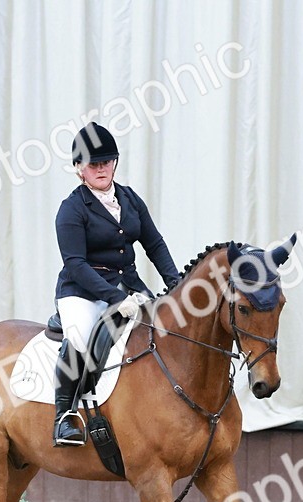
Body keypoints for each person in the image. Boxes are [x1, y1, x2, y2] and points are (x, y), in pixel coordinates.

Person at [51, 122, 182, 446]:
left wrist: (176, 284)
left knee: (164, 331)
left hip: (129, 287)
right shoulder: (71, 208)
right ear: (79, 168)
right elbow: (76, 264)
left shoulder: (130, 199)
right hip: (82, 291)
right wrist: (113, 297)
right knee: (80, 338)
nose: (101, 169)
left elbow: (154, 244)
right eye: (94, 164)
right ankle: (65, 416)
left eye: (106, 162)